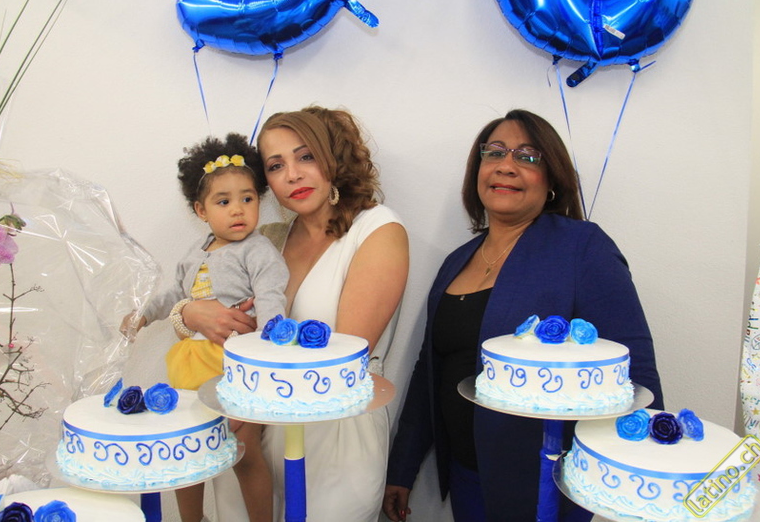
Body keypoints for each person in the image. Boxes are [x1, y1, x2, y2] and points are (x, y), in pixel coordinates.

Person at [382, 109, 664, 522]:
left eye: (528, 157)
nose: (506, 166)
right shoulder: (455, 262)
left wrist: (642, 473)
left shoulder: (582, 247)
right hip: (467, 478)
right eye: (494, 152)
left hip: (549, 484)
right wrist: (402, 469)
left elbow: (634, 367)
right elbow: (431, 370)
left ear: (552, 182)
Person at [178, 106, 409, 522]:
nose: (292, 175)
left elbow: (343, 356)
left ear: (334, 157)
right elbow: (203, 300)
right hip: (251, 431)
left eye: (306, 157)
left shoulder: (377, 229)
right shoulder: (267, 238)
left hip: (335, 434)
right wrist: (190, 313)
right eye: (275, 165)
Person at [120, 133, 288, 522]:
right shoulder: (194, 254)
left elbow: (270, 295)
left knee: (244, 452)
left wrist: (269, 343)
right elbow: (173, 296)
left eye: (248, 199)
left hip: (232, 364)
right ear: (201, 210)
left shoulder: (257, 250)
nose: (238, 210)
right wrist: (142, 315)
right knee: (186, 449)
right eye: (223, 201)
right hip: (190, 363)